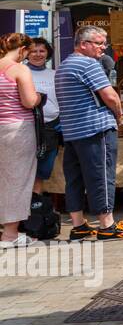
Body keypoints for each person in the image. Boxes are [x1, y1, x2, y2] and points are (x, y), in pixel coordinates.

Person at [55, 26, 123, 241]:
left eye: (104, 43)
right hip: (95, 128)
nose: (103, 48)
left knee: (74, 179)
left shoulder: (65, 64)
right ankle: (107, 225)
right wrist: (119, 115)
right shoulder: (88, 64)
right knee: (101, 176)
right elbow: (110, 96)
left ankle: (78, 224)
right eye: (99, 43)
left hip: (73, 130)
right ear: (84, 44)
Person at [0, 33, 40, 247]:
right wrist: (39, 97)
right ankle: (10, 234)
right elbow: (29, 101)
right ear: (23, 50)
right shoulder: (19, 69)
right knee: (18, 179)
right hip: (17, 129)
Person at [26, 37, 60, 215]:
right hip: (26, 127)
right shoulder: (22, 73)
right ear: (26, 53)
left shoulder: (54, 74)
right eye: (33, 51)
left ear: (47, 53)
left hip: (50, 128)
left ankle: (34, 207)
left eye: (42, 51)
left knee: (42, 171)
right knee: (24, 169)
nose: (38, 54)